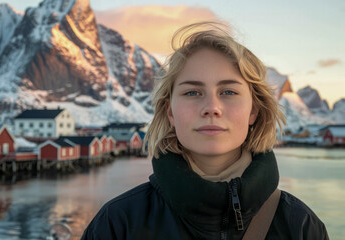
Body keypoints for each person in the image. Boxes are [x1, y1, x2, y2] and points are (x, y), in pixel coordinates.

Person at [81, 22, 329, 240]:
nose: (211, 108)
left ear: (254, 111)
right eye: (192, 92)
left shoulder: (301, 226)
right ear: (170, 112)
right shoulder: (118, 224)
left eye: (228, 92)